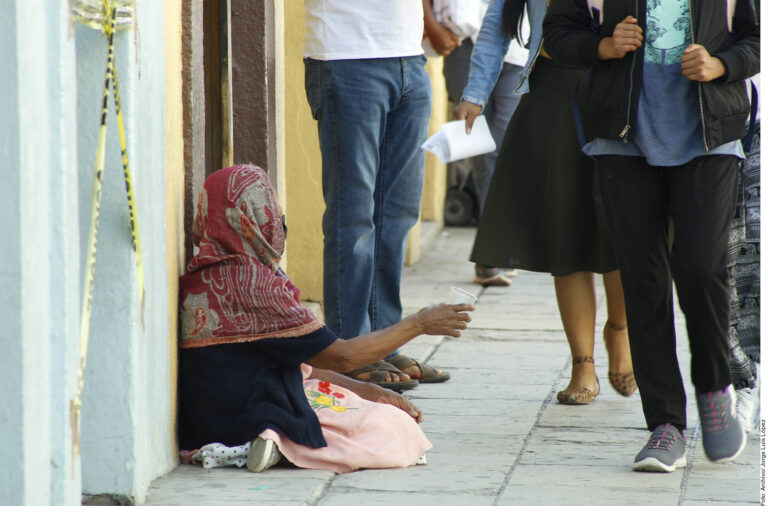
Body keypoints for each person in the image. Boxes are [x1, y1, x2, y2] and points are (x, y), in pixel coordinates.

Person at [544, 0, 759, 472]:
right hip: (622, 140)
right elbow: (557, 35)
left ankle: (714, 390)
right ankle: (665, 425)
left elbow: (755, 41)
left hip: (710, 136)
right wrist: (602, 45)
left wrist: (722, 64)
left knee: (703, 268)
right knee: (643, 279)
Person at [178, 165, 474, 473]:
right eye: (271, 209)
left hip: (205, 424)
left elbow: (299, 362)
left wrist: (368, 390)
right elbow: (342, 357)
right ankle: (276, 441)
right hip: (253, 412)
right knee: (390, 425)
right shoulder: (252, 281)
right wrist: (420, 323)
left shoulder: (199, 277)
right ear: (254, 217)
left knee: (360, 401)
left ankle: (265, 442)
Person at [453, 0, 636, 405]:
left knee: (623, 229)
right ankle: (582, 365)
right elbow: (496, 27)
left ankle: (620, 330)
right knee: (565, 227)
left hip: (625, 88)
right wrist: (475, 93)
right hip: (553, 92)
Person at [303, 0, 450, 390]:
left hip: (408, 56)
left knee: (396, 214)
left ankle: (383, 339)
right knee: (353, 217)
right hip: (347, 53)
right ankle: (349, 348)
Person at [438, 1, 530, 287]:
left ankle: (498, 245)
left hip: (517, 48)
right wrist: (433, 24)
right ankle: (491, 254)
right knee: (482, 154)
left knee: (507, 151)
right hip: (463, 43)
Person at [728, 78, 760, 433]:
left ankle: (750, 378)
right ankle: (741, 376)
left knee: (758, 252)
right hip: (711, 128)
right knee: (718, 264)